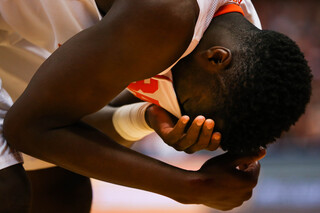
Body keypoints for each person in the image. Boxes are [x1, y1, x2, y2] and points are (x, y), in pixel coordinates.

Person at [0, 0, 311, 212]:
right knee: (8, 189)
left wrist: (146, 117)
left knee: (61, 188)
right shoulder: (165, 18)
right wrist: (186, 186)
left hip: (14, 26)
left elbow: (69, 120)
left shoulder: (239, 37)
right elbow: (28, 129)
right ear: (216, 58)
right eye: (185, 106)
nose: (176, 110)